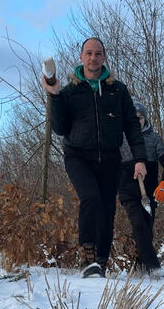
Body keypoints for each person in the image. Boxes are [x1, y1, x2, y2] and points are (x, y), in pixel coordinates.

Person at [41, 37, 147, 278]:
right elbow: (59, 128)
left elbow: (132, 125)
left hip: (110, 158)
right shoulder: (70, 91)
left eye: (98, 53)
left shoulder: (117, 90)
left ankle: (101, 259)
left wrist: (139, 159)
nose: (93, 58)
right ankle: (87, 255)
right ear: (81, 57)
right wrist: (55, 95)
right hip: (78, 156)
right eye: (88, 53)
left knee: (108, 208)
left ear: (104, 57)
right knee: (91, 198)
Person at [118, 100, 164, 275]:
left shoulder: (154, 138)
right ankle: (154, 268)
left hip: (150, 192)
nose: (136, 121)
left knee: (146, 232)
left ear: (145, 118)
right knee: (139, 225)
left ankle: (139, 267)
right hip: (128, 190)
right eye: (132, 118)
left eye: (140, 117)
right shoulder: (120, 139)